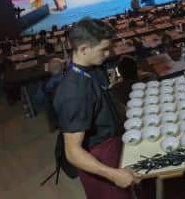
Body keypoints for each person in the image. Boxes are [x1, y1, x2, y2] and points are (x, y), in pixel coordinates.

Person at [52, 18, 142, 198]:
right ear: (84, 49)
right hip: (98, 156)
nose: (109, 53)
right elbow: (73, 153)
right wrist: (113, 174)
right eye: (104, 49)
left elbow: (107, 99)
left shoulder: (92, 67)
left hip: (114, 141)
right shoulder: (73, 93)